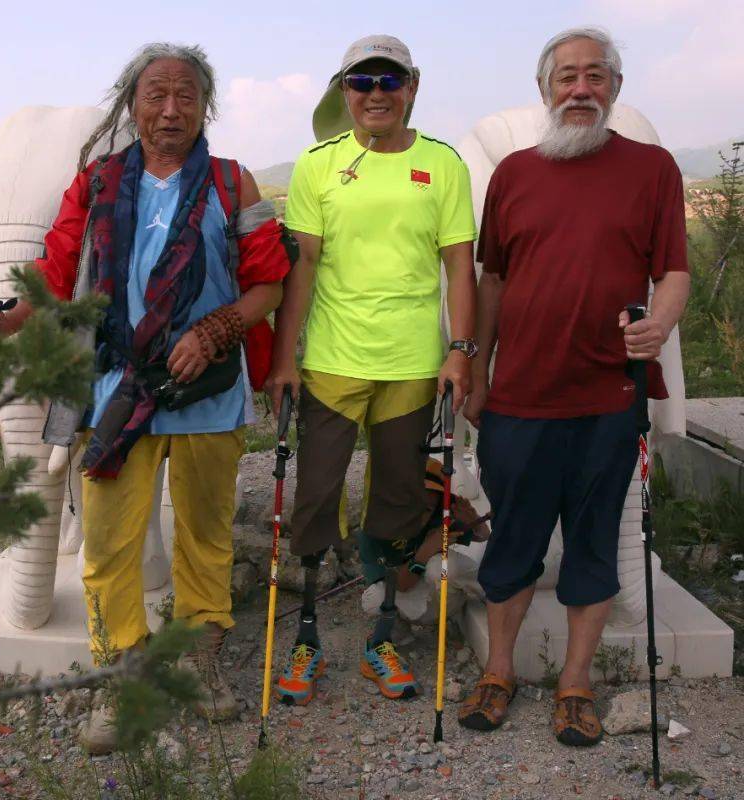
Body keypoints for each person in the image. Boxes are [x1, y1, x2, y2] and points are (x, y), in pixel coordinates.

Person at [0, 42, 290, 754]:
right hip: (118, 393)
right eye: (155, 95)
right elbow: (54, 271)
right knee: (108, 545)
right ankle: (122, 676)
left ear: (207, 106)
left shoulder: (235, 185)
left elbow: (269, 283)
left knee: (202, 538)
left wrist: (215, 328)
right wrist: (8, 318)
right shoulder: (96, 184)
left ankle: (201, 661)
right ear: (132, 105)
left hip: (208, 394)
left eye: (185, 95)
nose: (170, 109)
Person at [458, 26, 690, 746]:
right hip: (519, 397)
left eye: (596, 76)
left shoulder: (653, 169)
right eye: (567, 78)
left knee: (591, 546)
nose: (581, 89)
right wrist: (476, 368)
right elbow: (491, 278)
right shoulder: (515, 174)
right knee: (514, 543)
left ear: (614, 89)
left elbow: (673, 271)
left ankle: (575, 684)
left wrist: (661, 325)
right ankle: (498, 672)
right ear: (545, 91)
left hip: (608, 398)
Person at [265, 34, 478, 705]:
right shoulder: (318, 164)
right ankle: (305, 638)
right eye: (363, 82)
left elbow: (458, 268)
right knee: (314, 495)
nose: (377, 93)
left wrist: (460, 350)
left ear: (412, 87)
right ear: (343, 92)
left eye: (390, 80)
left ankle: (380, 637)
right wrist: (282, 358)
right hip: (331, 359)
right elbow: (302, 266)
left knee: (398, 499)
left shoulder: (443, 164)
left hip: (413, 362)